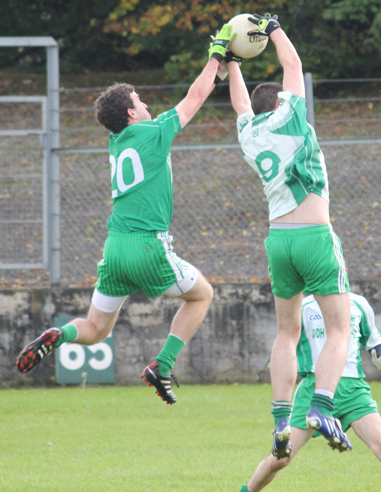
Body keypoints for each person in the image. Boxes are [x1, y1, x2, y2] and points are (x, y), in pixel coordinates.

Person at [16, 24, 237, 405]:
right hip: (149, 246)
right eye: (141, 100)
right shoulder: (151, 132)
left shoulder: (117, 140)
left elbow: (200, 89)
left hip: (115, 248)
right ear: (133, 113)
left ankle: (59, 334)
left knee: (95, 328)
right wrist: (216, 55)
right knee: (202, 296)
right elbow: (195, 96)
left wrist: (217, 73)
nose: (148, 105)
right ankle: (163, 365)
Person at [226, 13, 352, 456]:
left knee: (287, 332)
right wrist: (275, 28)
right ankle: (321, 406)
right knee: (340, 329)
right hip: (314, 236)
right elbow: (293, 67)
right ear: (280, 102)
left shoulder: (250, 134)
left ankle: (282, 418)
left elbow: (241, 106)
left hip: (278, 241)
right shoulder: (292, 118)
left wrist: (231, 59)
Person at [215, 292, 381, 492]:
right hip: (313, 389)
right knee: (280, 459)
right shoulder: (303, 307)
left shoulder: (359, 304)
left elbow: (374, 340)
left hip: (353, 391)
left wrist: (379, 355)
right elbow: (286, 342)